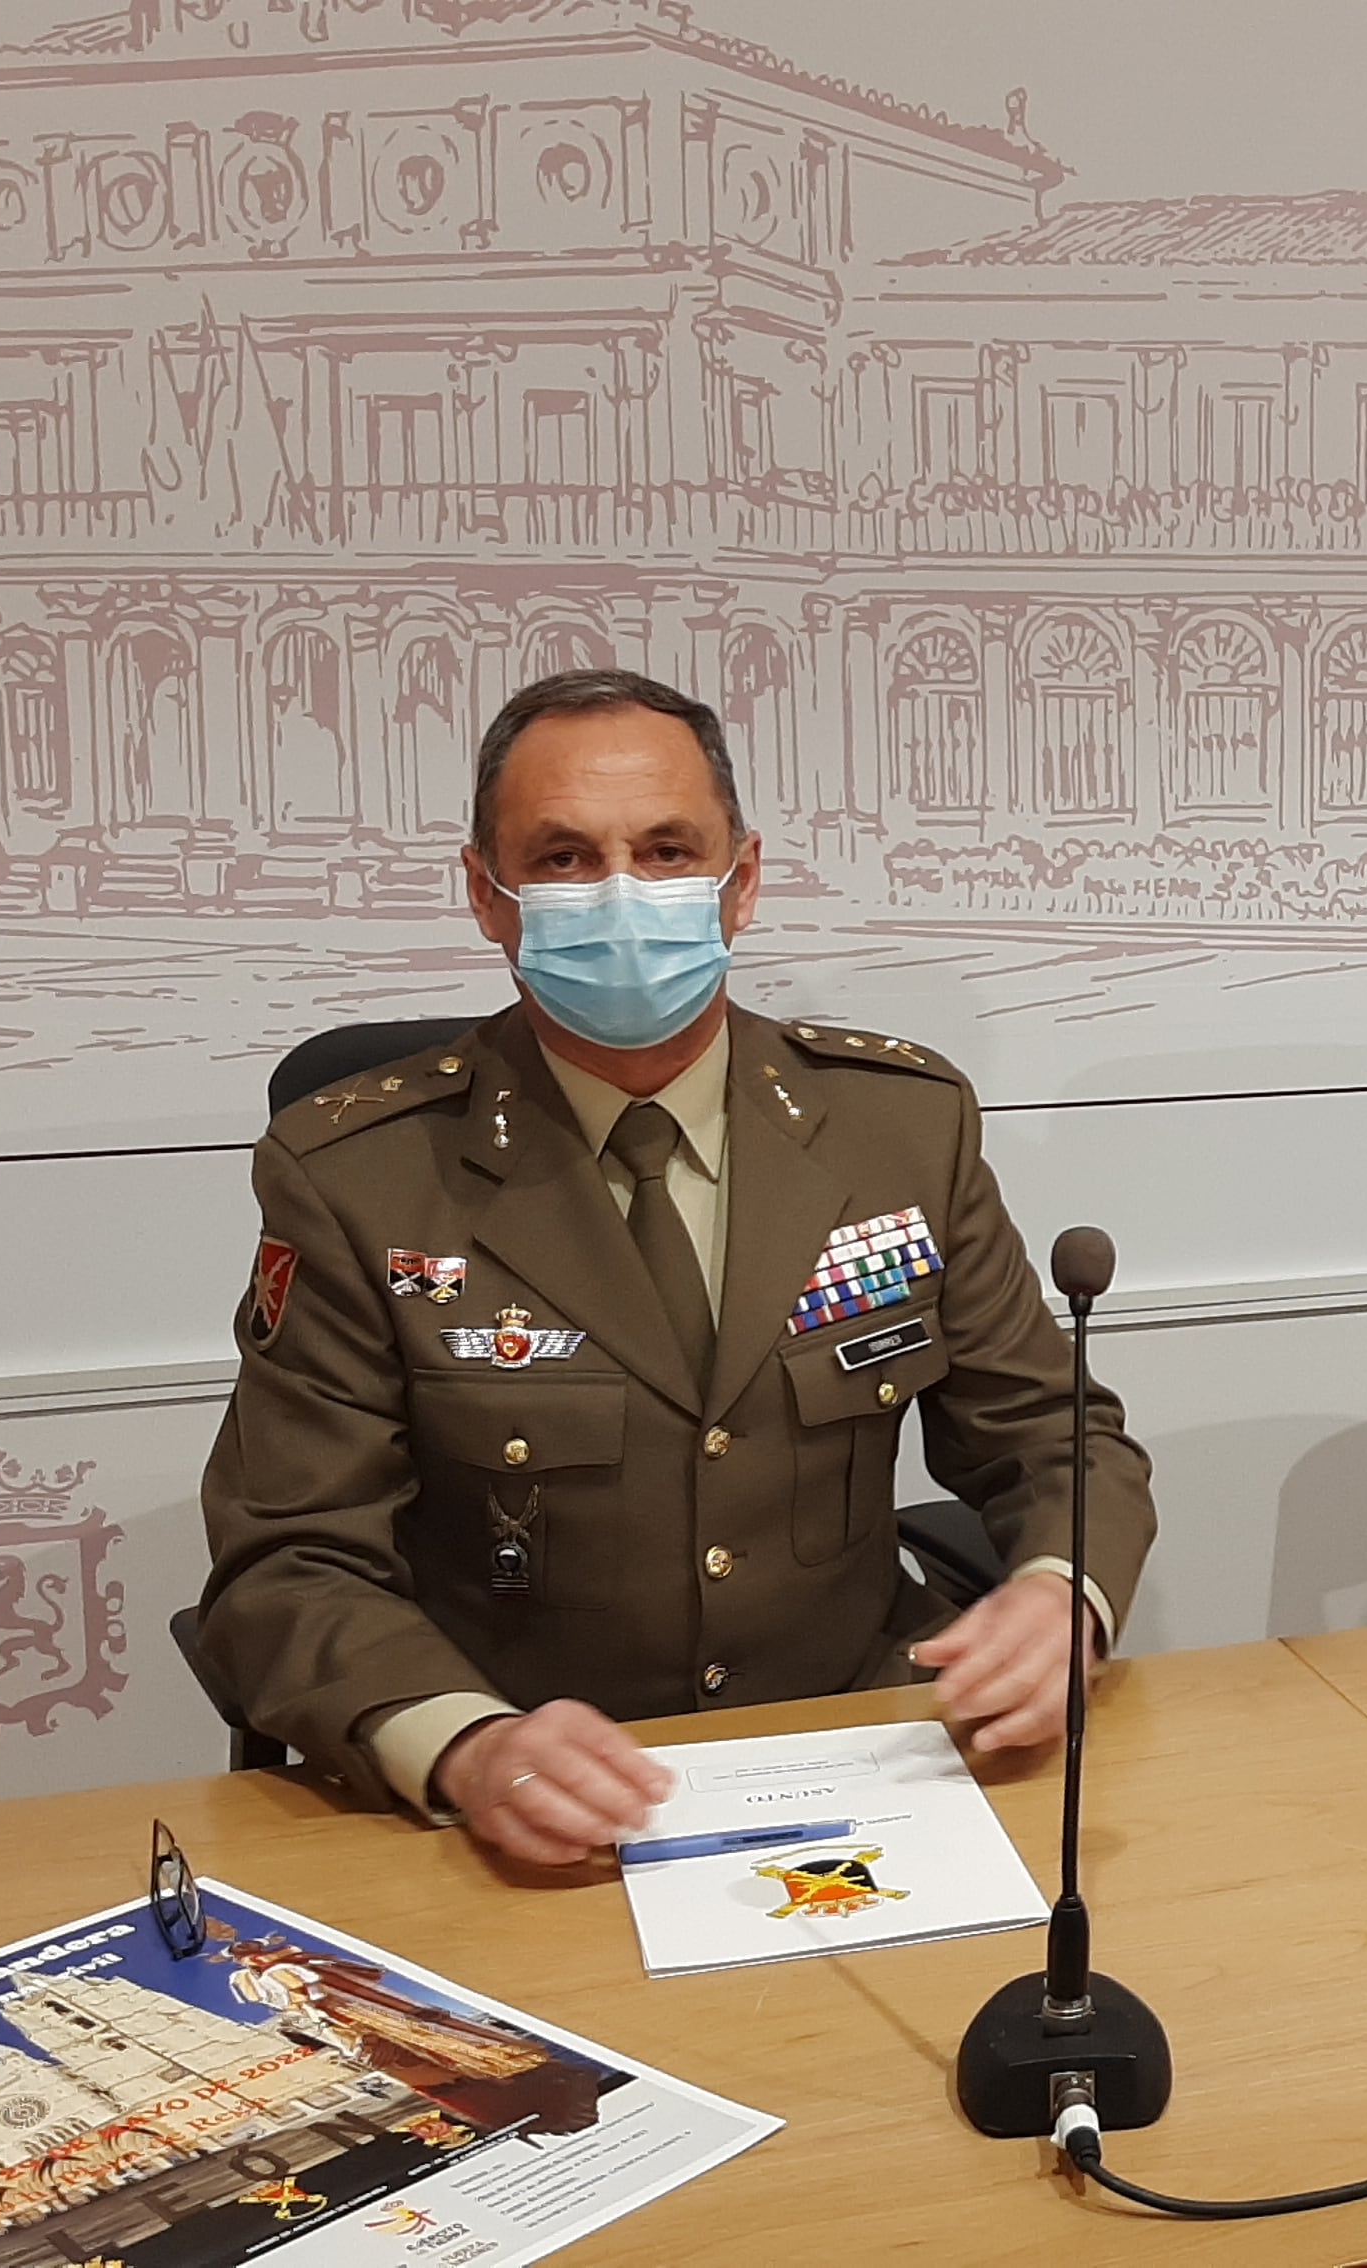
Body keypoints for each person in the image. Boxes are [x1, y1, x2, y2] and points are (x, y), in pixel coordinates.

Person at [195, 669, 1153, 1866]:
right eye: (561, 859)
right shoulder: (359, 1176)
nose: (621, 894)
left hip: (860, 1747)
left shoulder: (896, 1127)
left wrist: (1061, 1589)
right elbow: (286, 1565)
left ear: (739, 882)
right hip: (539, 1803)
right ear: (489, 900)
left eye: (664, 850)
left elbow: (1058, 1440)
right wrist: (462, 1742)